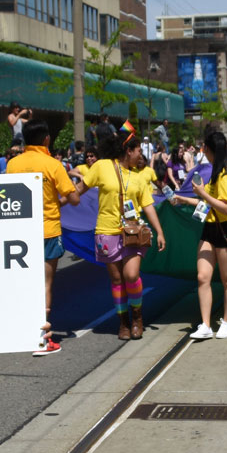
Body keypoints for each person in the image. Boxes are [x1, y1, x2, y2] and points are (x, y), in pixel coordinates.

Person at [76, 130, 167, 340]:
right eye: (138, 151)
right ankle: (123, 321)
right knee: (116, 280)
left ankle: (137, 317)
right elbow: (79, 189)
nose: (140, 156)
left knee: (131, 275)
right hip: (106, 231)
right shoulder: (101, 166)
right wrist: (59, 200)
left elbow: (148, 206)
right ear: (128, 151)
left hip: (133, 233)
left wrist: (159, 231)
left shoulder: (138, 177)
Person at [8, 119, 81, 355]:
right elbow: (74, 199)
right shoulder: (52, 164)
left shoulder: (12, 164)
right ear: (46, 139)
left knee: (24, 283)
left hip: (19, 233)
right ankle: (42, 338)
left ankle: (24, 331)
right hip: (47, 230)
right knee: (45, 284)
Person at [173, 131, 227, 340]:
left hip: (225, 229)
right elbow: (209, 205)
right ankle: (205, 324)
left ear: (210, 150)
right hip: (210, 229)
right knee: (203, 277)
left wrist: (202, 193)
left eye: (205, 149)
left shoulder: (224, 175)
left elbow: (225, 208)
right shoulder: (214, 172)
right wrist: (184, 200)